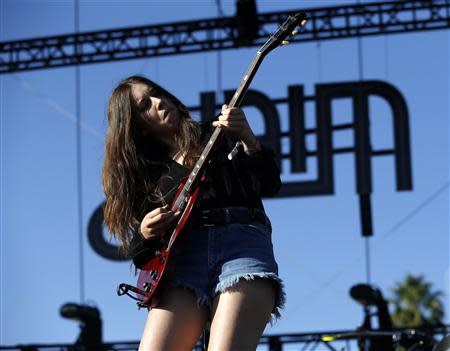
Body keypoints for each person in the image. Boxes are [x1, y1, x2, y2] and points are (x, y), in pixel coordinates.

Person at [102, 75, 285, 351]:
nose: (159, 103)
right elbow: (141, 255)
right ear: (135, 126)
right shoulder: (148, 176)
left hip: (240, 245)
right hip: (184, 262)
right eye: (144, 105)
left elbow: (269, 184)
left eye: (157, 93)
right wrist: (145, 232)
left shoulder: (216, 134)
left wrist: (248, 139)